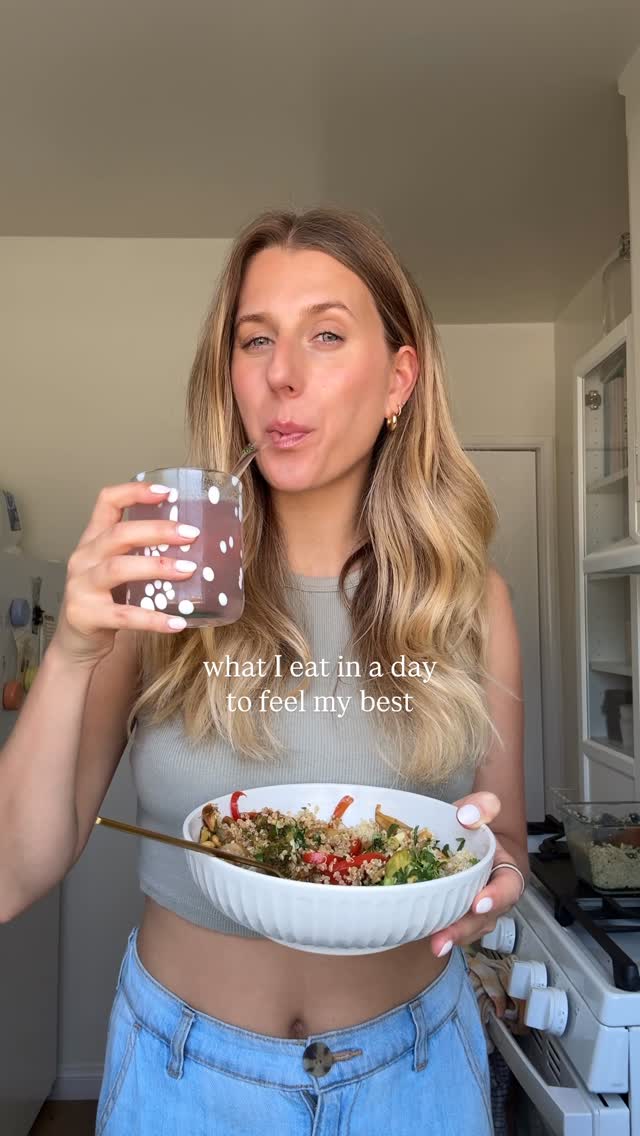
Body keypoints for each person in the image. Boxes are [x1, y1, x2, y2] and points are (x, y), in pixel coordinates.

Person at [0, 207, 527, 1135]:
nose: (282, 373)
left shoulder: (469, 601)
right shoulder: (163, 587)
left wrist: (493, 886)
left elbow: (505, 844)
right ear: (233, 376)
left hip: (415, 1072)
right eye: (256, 340)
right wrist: (74, 652)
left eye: (326, 335)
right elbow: (12, 873)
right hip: (183, 1078)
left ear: (399, 378)